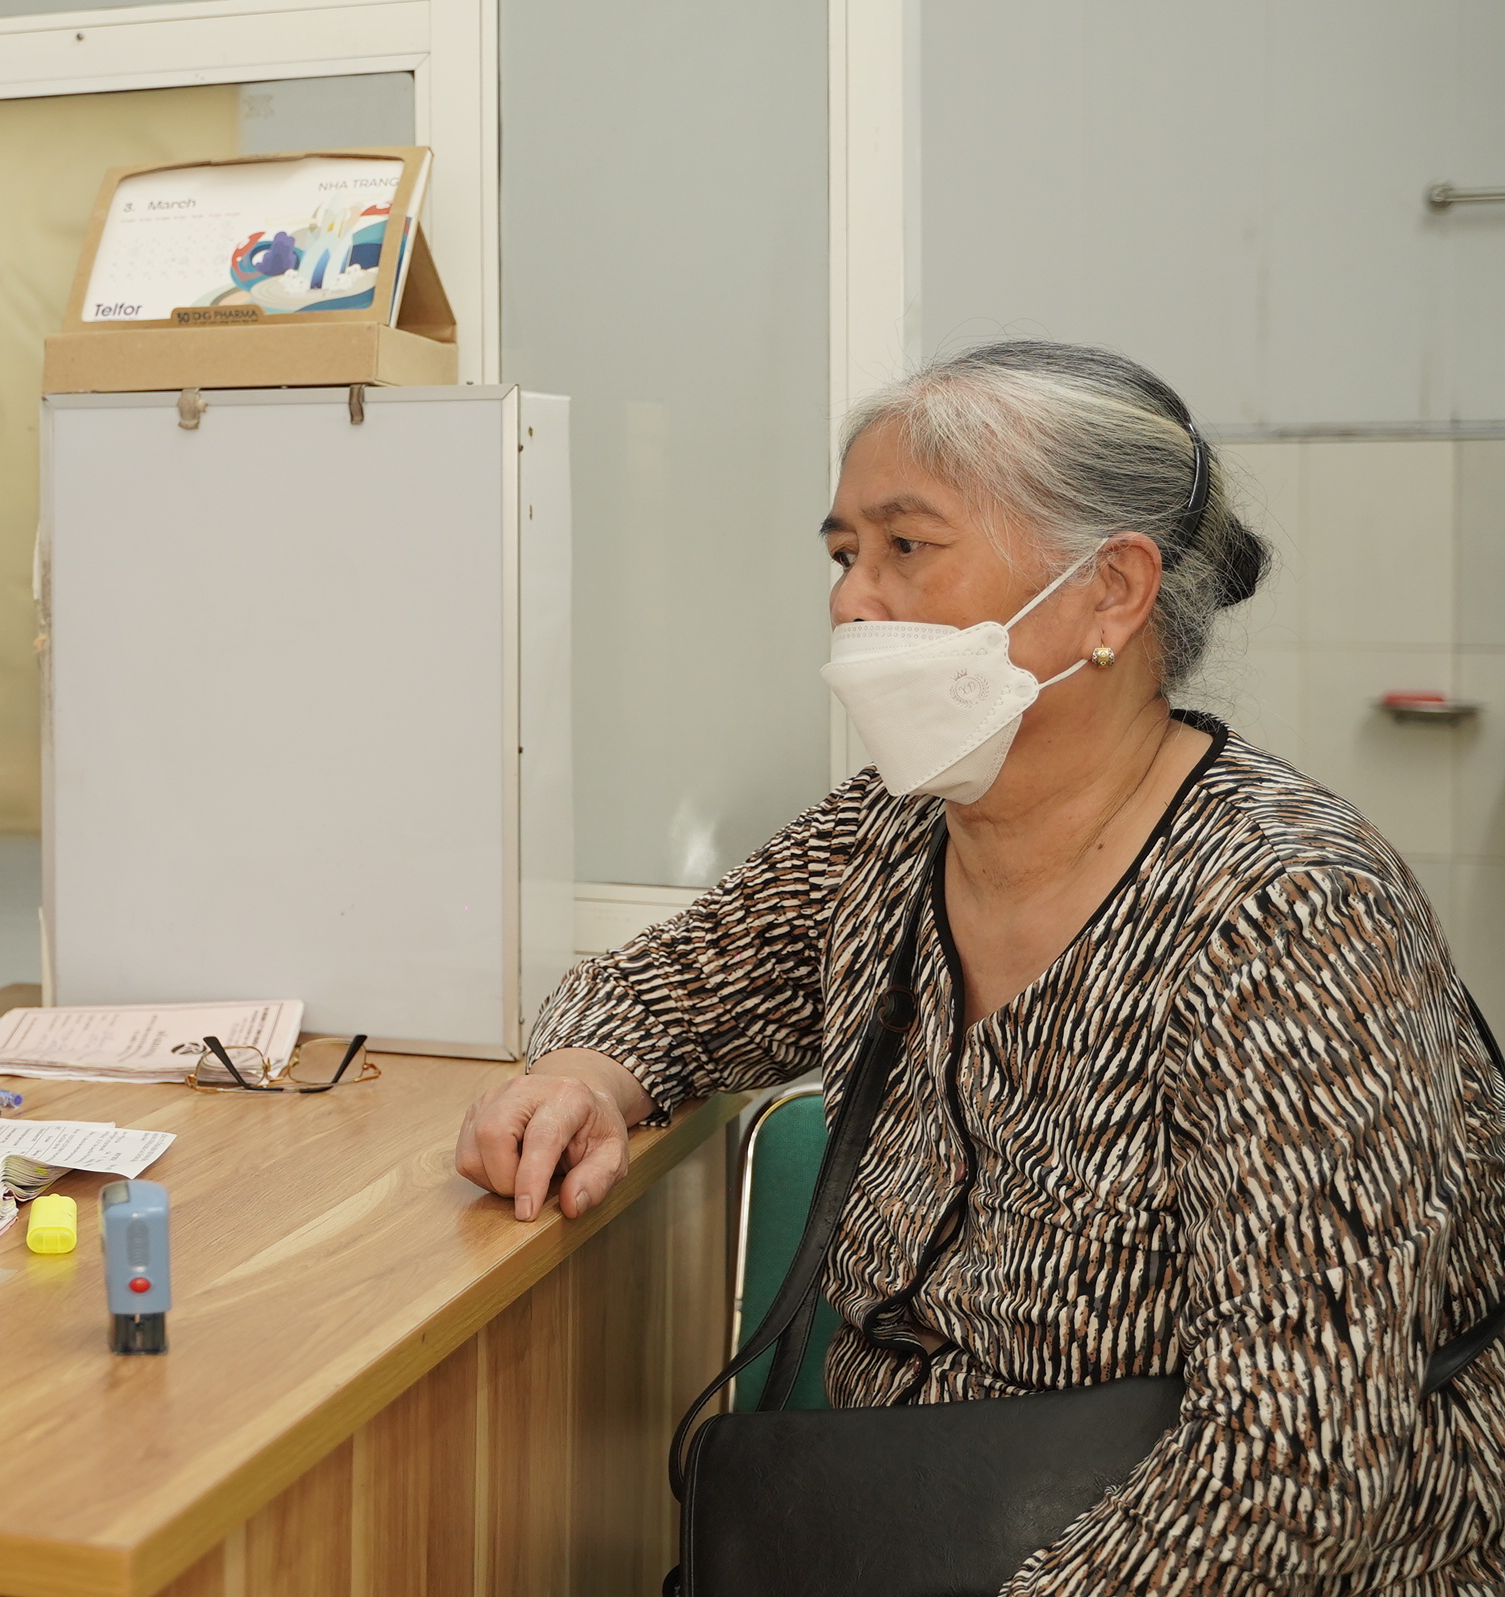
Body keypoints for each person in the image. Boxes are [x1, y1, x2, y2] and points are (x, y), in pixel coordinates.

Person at [457, 340, 1505, 1590]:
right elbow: (664, 988)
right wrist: (584, 1074)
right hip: (898, 1523)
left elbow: (1292, 1461)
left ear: (1110, 592)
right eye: (842, 553)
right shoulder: (889, 832)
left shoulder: (1286, 911)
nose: (852, 601)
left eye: (906, 545)